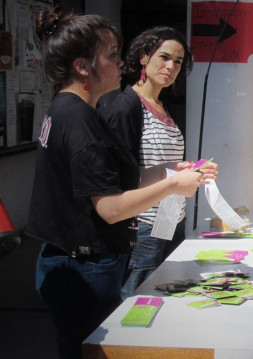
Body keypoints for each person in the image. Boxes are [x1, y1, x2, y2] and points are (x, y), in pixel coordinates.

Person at [27, 8, 211, 359]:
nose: (120, 63)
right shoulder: (82, 120)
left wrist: (169, 171)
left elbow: (109, 181)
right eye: (111, 56)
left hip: (71, 263)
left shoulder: (65, 109)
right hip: (81, 268)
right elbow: (110, 207)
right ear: (83, 66)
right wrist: (173, 185)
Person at [107, 26, 218, 298]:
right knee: (139, 300)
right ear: (144, 57)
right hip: (142, 223)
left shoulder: (162, 104)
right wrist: (171, 178)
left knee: (164, 295)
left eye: (178, 62)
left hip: (170, 216)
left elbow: (164, 165)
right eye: (164, 57)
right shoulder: (127, 105)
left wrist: (191, 170)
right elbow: (120, 176)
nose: (171, 66)